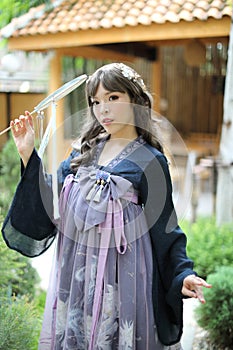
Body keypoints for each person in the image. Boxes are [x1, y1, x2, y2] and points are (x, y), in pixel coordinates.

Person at [2, 63, 211, 350]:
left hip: (124, 284)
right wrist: (28, 153)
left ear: (135, 101)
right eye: (96, 102)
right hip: (76, 280)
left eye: (113, 98)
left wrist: (182, 274)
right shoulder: (81, 154)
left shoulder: (150, 161)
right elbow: (51, 201)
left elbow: (165, 228)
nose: (104, 109)